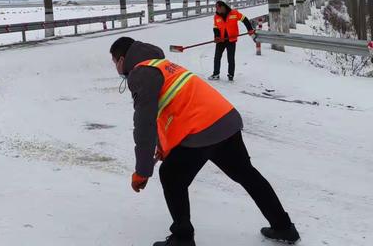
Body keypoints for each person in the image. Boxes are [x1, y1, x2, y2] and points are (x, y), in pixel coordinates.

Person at [110, 37, 300, 246]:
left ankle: (182, 239)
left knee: (171, 176)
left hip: (202, 129)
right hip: (224, 120)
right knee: (247, 174)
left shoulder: (141, 73)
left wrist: (142, 171)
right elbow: (170, 111)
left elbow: (144, 124)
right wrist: (164, 147)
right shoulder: (162, 65)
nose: (116, 68)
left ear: (121, 60)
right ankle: (284, 227)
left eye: (114, 63)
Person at [210, 0, 255, 81]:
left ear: (223, 7)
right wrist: (216, 36)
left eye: (217, 8)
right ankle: (216, 74)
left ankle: (231, 75)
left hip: (231, 39)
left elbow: (245, 19)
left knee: (230, 58)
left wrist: (250, 29)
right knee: (217, 57)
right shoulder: (216, 16)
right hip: (221, 40)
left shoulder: (234, 13)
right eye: (215, 8)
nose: (216, 10)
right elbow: (215, 27)